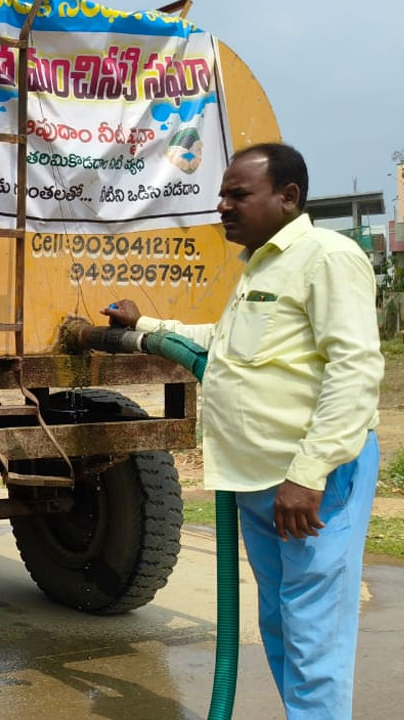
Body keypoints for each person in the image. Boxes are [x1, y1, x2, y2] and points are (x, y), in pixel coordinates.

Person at [103, 143, 382, 718]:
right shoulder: (265, 265)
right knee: (280, 622)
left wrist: (307, 475)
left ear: (288, 197)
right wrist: (144, 326)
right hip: (259, 480)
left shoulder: (326, 257)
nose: (222, 206)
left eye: (238, 194)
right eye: (223, 194)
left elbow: (355, 372)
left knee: (313, 631)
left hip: (308, 480)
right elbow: (223, 344)